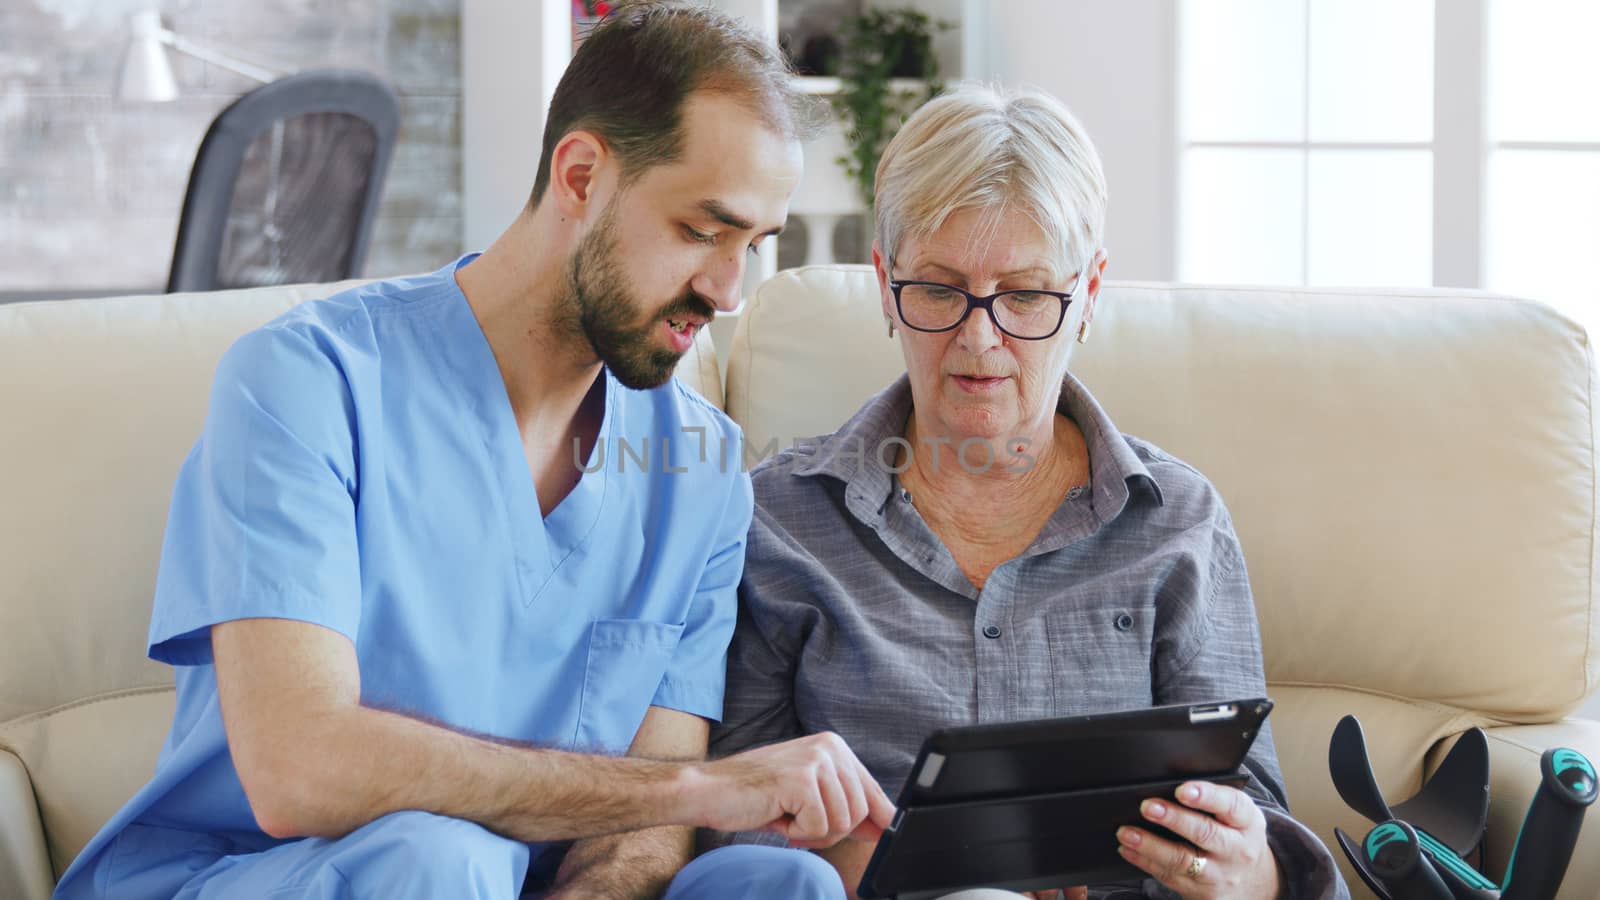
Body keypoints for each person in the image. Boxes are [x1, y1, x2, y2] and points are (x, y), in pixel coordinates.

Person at [51, 5, 894, 900]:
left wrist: (637, 838)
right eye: (702, 230)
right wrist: (698, 788)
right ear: (580, 176)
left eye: (754, 246)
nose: (728, 292)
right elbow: (298, 767)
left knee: (778, 885)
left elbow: (643, 833)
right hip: (275, 875)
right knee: (438, 861)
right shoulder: (308, 382)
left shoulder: (701, 470)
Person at [709, 84, 1350, 899]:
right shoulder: (781, 519)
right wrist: (889, 868)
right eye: (939, 291)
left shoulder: (1177, 524)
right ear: (884, 284)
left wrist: (1243, 869)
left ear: (1088, 294)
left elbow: (1253, 824)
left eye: (1025, 297)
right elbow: (724, 823)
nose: (980, 339)